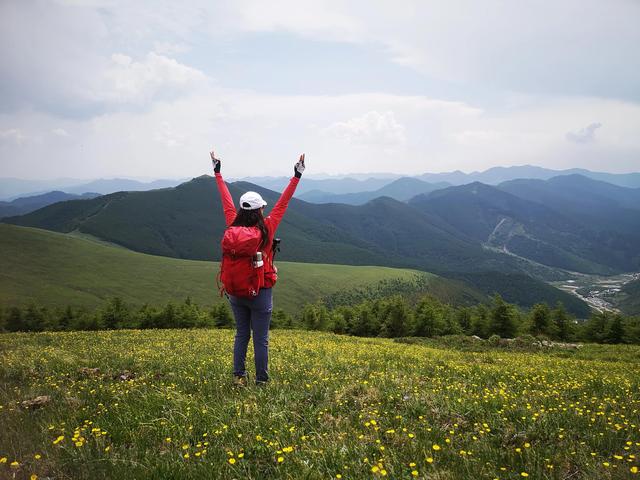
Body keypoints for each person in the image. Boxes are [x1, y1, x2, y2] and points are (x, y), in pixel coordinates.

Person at [211, 150, 305, 386]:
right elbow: (283, 203)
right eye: (263, 207)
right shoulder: (267, 228)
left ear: (243, 210)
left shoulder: (232, 223)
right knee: (260, 338)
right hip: (260, 290)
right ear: (260, 210)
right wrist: (297, 175)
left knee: (242, 334)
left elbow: (226, 201)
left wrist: (218, 173)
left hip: (235, 291)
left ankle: (238, 377)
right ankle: (261, 381)